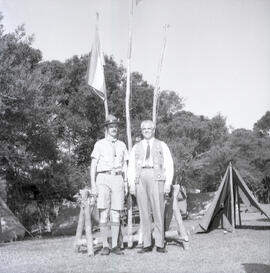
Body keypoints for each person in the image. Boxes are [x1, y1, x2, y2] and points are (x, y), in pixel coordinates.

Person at [128, 120, 174, 253]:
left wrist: (168, 184)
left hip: (156, 177)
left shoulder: (162, 145)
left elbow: (169, 165)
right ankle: (146, 243)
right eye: (144, 129)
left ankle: (160, 243)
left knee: (158, 210)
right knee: (144, 212)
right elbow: (131, 167)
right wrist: (131, 184)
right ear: (141, 131)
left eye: (149, 128)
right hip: (140, 177)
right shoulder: (136, 147)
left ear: (154, 130)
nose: (147, 131)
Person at [90, 114, 128, 255]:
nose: (114, 129)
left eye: (115, 127)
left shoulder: (122, 145)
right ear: (106, 128)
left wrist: (126, 183)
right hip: (103, 178)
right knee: (104, 213)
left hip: (118, 179)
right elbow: (93, 165)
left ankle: (115, 246)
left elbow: (125, 166)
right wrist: (93, 184)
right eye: (111, 127)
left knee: (116, 213)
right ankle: (105, 245)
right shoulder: (99, 144)